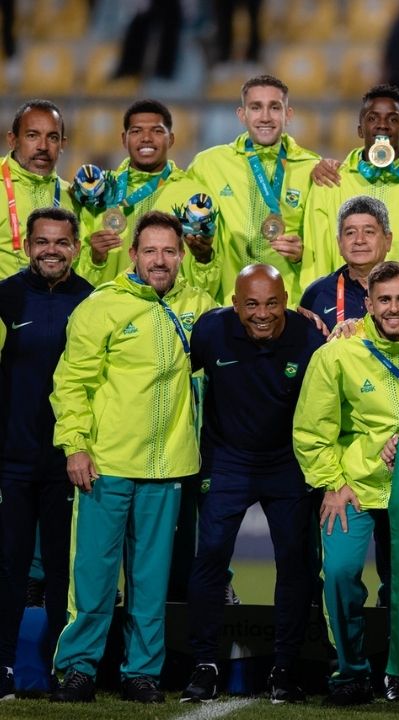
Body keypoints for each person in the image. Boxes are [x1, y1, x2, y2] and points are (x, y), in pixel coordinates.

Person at [48, 211, 216, 703]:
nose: (160, 260)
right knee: (93, 578)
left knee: (150, 581)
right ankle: (78, 669)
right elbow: (70, 383)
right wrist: (75, 446)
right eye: (150, 251)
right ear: (133, 255)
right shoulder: (100, 307)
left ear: (181, 256)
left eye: (169, 251)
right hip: (106, 465)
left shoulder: (200, 307)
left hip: (168, 468)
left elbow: (251, 323)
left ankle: (141, 672)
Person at [292, 261, 399, 705]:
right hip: (355, 485)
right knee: (342, 575)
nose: (394, 308)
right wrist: (332, 482)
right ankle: (351, 672)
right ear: (368, 304)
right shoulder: (337, 352)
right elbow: (312, 429)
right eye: (384, 300)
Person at [179, 265, 324, 704]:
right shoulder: (210, 330)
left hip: (288, 463)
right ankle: (204, 664)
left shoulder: (310, 336)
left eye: (272, 303)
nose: (262, 314)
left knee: (296, 564)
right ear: (234, 302)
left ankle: (284, 667)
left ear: (286, 298)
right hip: (227, 461)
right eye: (252, 304)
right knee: (209, 560)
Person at [0, 208, 93, 700]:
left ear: (75, 247)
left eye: (60, 242)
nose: (51, 250)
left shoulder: (92, 301)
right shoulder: (6, 296)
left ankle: (65, 667)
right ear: (27, 247)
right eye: (42, 242)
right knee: (9, 566)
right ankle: (4, 667)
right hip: (12, 459)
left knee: (64, 570)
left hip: (69, 462)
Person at [187, 74, 321, 303]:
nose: (266, 117)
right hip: (229, 303)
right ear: (242, 115)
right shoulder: (209, 165)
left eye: (275, 107)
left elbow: (326, 244)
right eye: (256, 107)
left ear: (288, 115)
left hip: (288, 306)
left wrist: (302, 255)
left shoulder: (312, 169)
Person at [303, 84, 399, 284]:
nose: (382, 125)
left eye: (393, 119)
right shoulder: (330, 181)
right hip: (342, 307)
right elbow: (316, 257)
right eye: (372, 118)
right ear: (360, 129)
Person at [77, 99, 216, 289]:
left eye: (157, 131)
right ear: (124, 139)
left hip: (170, 312)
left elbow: (207, 280)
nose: (146, 138)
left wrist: (204, 258)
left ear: (172, 139)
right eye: (136, 131)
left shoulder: (194, 197)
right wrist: (95, 260)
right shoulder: (98, 192)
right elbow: (77, 271)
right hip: (113, 311)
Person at [0, 100, 75, 278]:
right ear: (12, 140)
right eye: (32, 136)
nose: (43, 146)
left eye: (52, 137)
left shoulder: (72, 197)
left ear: (62, 144)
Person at [299, 195, 393, 331]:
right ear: (339, 244)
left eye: (369, 232)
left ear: (388, 240)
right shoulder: (317, 293)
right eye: (350, 233)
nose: (359, 240)